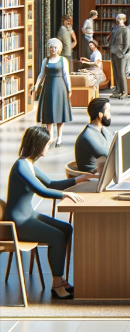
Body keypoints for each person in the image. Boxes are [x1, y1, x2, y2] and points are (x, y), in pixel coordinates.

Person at [5, 127, 93, 299]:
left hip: (28, 215)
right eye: (47, 144)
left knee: (67, 228)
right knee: (57, 236)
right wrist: (65, 194)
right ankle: (56, 284)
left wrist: (77, 179)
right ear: (38, 145)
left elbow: (51, 183)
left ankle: (60, 278)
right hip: (18, 223)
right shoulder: (21, 166)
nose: (48, 146)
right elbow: (41, 191)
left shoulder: (28, 164)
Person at [31, 38, 72, 147]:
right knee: (49, 113)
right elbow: (41, 74)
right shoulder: (46, 60)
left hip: (60, 88)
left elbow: (66, 75)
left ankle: (59, 137)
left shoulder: (63, 60)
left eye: (55, 47)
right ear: (49, 48)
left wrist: (69, 88)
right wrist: (36, 85)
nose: (53, 49)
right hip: (48, 87)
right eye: (51, 47)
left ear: (59, 48)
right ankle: (50, 137)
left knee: (60, 113)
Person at [75, 98, 113, 173]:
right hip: (93, 178)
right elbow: (107, 154)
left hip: (104, 172)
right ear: (100, 115)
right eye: (108, 111)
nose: (110, 115)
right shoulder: (87, 136)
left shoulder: (103, 130)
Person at [108, 13, 130, 99]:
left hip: (120, 53)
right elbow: (111, 38)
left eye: (119, 18)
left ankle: (124, 92)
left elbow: (127, 43)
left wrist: (123, 52)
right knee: (116, 72)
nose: (118, 20)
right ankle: (118, 90)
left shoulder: (126, 29)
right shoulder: (115, 28)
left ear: (123, 20)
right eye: (117, 18)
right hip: (113, 52)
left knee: (121, 73)